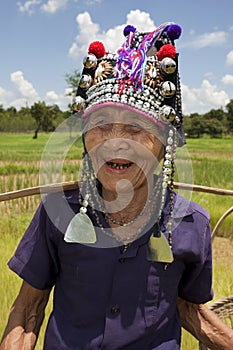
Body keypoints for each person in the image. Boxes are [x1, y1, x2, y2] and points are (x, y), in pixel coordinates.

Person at [1, 21, 233, 350]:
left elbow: (188, 308)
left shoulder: (191, 223)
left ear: (163, 144)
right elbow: (27, 310)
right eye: (101, 125)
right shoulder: (59, 212)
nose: (116, 143)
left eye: (136, 128)